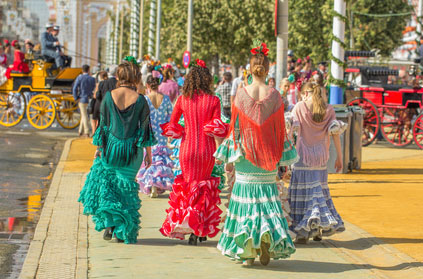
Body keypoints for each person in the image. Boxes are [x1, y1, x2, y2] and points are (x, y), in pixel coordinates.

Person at [215, 41, 295, 267]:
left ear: (249, 70)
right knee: (267, 202)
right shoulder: (276, 96)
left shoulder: (240, 95)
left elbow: (235, 129)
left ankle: (247, 253)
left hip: (245, 156)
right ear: (268, 69)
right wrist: (282, 160)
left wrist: (229, 160)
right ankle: (266, 241)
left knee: (246, 204)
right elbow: (281, 130)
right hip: (268, 157)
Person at [78, 61, 156, 244]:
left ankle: (110, 223)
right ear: (134, 77)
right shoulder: (141, 99)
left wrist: (99, 149)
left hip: (111, 149)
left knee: (110, 188)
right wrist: (149, 154)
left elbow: (103, 127)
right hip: (132, 152)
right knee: (127, 191)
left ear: (119, 77)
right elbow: (145, 129)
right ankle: (122, 231)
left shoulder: (108, 96)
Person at [160, 59, 229, 245]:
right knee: (203, 189)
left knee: (189, 187)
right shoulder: (214, 100)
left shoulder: (182, 100)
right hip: (207, 151)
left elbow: (173, 124)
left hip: (187, 149)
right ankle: (199, 229)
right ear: (207, 80)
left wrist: (181, 132)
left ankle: (189, 226)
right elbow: (216, 129)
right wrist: (222, 152)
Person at [288, 82, 347, 244]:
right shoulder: (328, 110)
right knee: (319, 190)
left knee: (302, 193)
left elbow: (290, 131)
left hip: (302, 156)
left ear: (306, 93)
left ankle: (302, 231)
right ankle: (317, 228)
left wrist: (284, 155)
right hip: (321, 156)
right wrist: (340, 158)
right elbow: (335, 134)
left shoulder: (299, 107)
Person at [137, 75, 174, 197]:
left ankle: (151, 184)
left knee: (150, 158)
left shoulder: (145, 99)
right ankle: (157, 185)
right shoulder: (166, 99)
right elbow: (170, 117)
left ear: (147, 85)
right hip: (162, 134)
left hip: (149, 133)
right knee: (160, 160)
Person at [72, 64, 96, 137]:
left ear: (82, 70)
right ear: (88, 70)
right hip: (90, 99)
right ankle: (80, 131)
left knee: (84, 115)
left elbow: (74, 88)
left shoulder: (79, 78)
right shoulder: (92, 79)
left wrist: (76, 97)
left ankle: (86, 131)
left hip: (82, 98)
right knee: (84, 115)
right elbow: (94, 88)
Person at [92, 65, 118, 131]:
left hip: (103, 107)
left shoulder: (102, 83)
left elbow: (98, 96)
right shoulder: (118, 83)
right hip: (115, 108)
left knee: (102, 125)